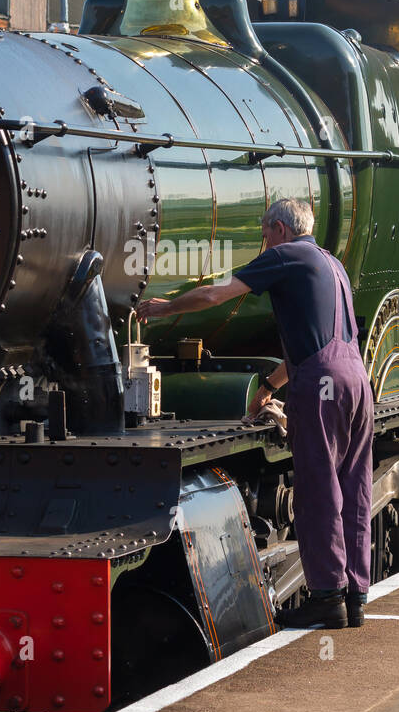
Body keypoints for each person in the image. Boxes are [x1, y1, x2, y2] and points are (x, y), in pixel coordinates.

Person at [136, 198, 374, 631]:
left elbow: (214, 294)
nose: (264, 242)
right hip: (356, 379)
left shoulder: (284, 256)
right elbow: (321, 345)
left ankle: (326, 598)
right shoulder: (331, 264)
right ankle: (356, 596)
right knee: (354, 486)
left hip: (322, 385)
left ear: (279, 228)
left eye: (265, 234)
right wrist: (268, 387)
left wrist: (163, 308)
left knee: (318, 488)